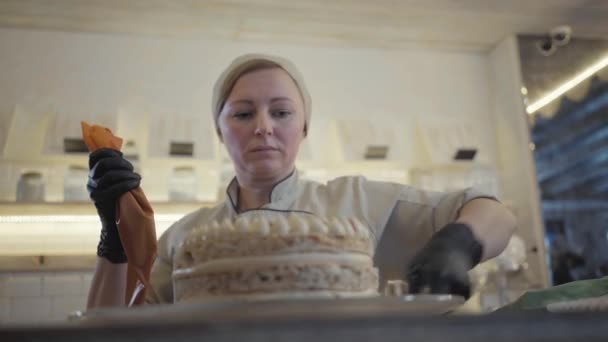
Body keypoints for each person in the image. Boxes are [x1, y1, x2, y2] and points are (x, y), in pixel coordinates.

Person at [86, 53, 516, 308]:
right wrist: (115, 240)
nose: (263, 127)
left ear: (304, 127)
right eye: (243, 113)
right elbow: (114, 330)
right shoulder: (187, 237)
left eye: (281, 112)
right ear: (219, 131)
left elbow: (492, 210)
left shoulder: (358, 203)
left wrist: (459, 242)